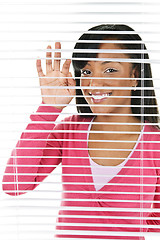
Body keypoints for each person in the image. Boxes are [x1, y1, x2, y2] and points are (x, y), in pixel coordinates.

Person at [2, 24, 160, 239]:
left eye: (110, 69)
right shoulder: (69, 130)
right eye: (86, 71)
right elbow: (14, 184)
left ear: (134, 75)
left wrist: (127, 228)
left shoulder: (155, 144)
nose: (93, 82)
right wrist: (49, 108)